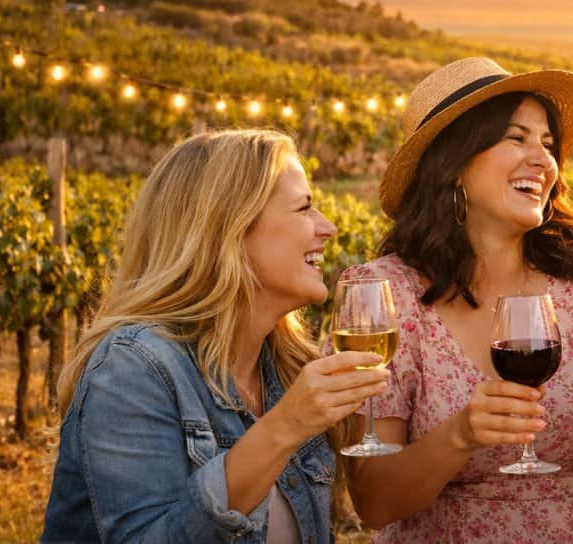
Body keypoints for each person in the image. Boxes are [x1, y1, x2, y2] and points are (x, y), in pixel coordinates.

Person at [338, 57, 573, 543]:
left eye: (548, 144)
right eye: (516, 138)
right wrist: (460, 435)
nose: (543, 160)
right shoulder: (387, 299)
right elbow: (373, 502)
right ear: (454, 161)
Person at [42, 129, 390, 543]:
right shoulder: (134, 368)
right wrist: (283, 428)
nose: (328, 227)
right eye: (304, 208)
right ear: (230, 230)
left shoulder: (288, 367)